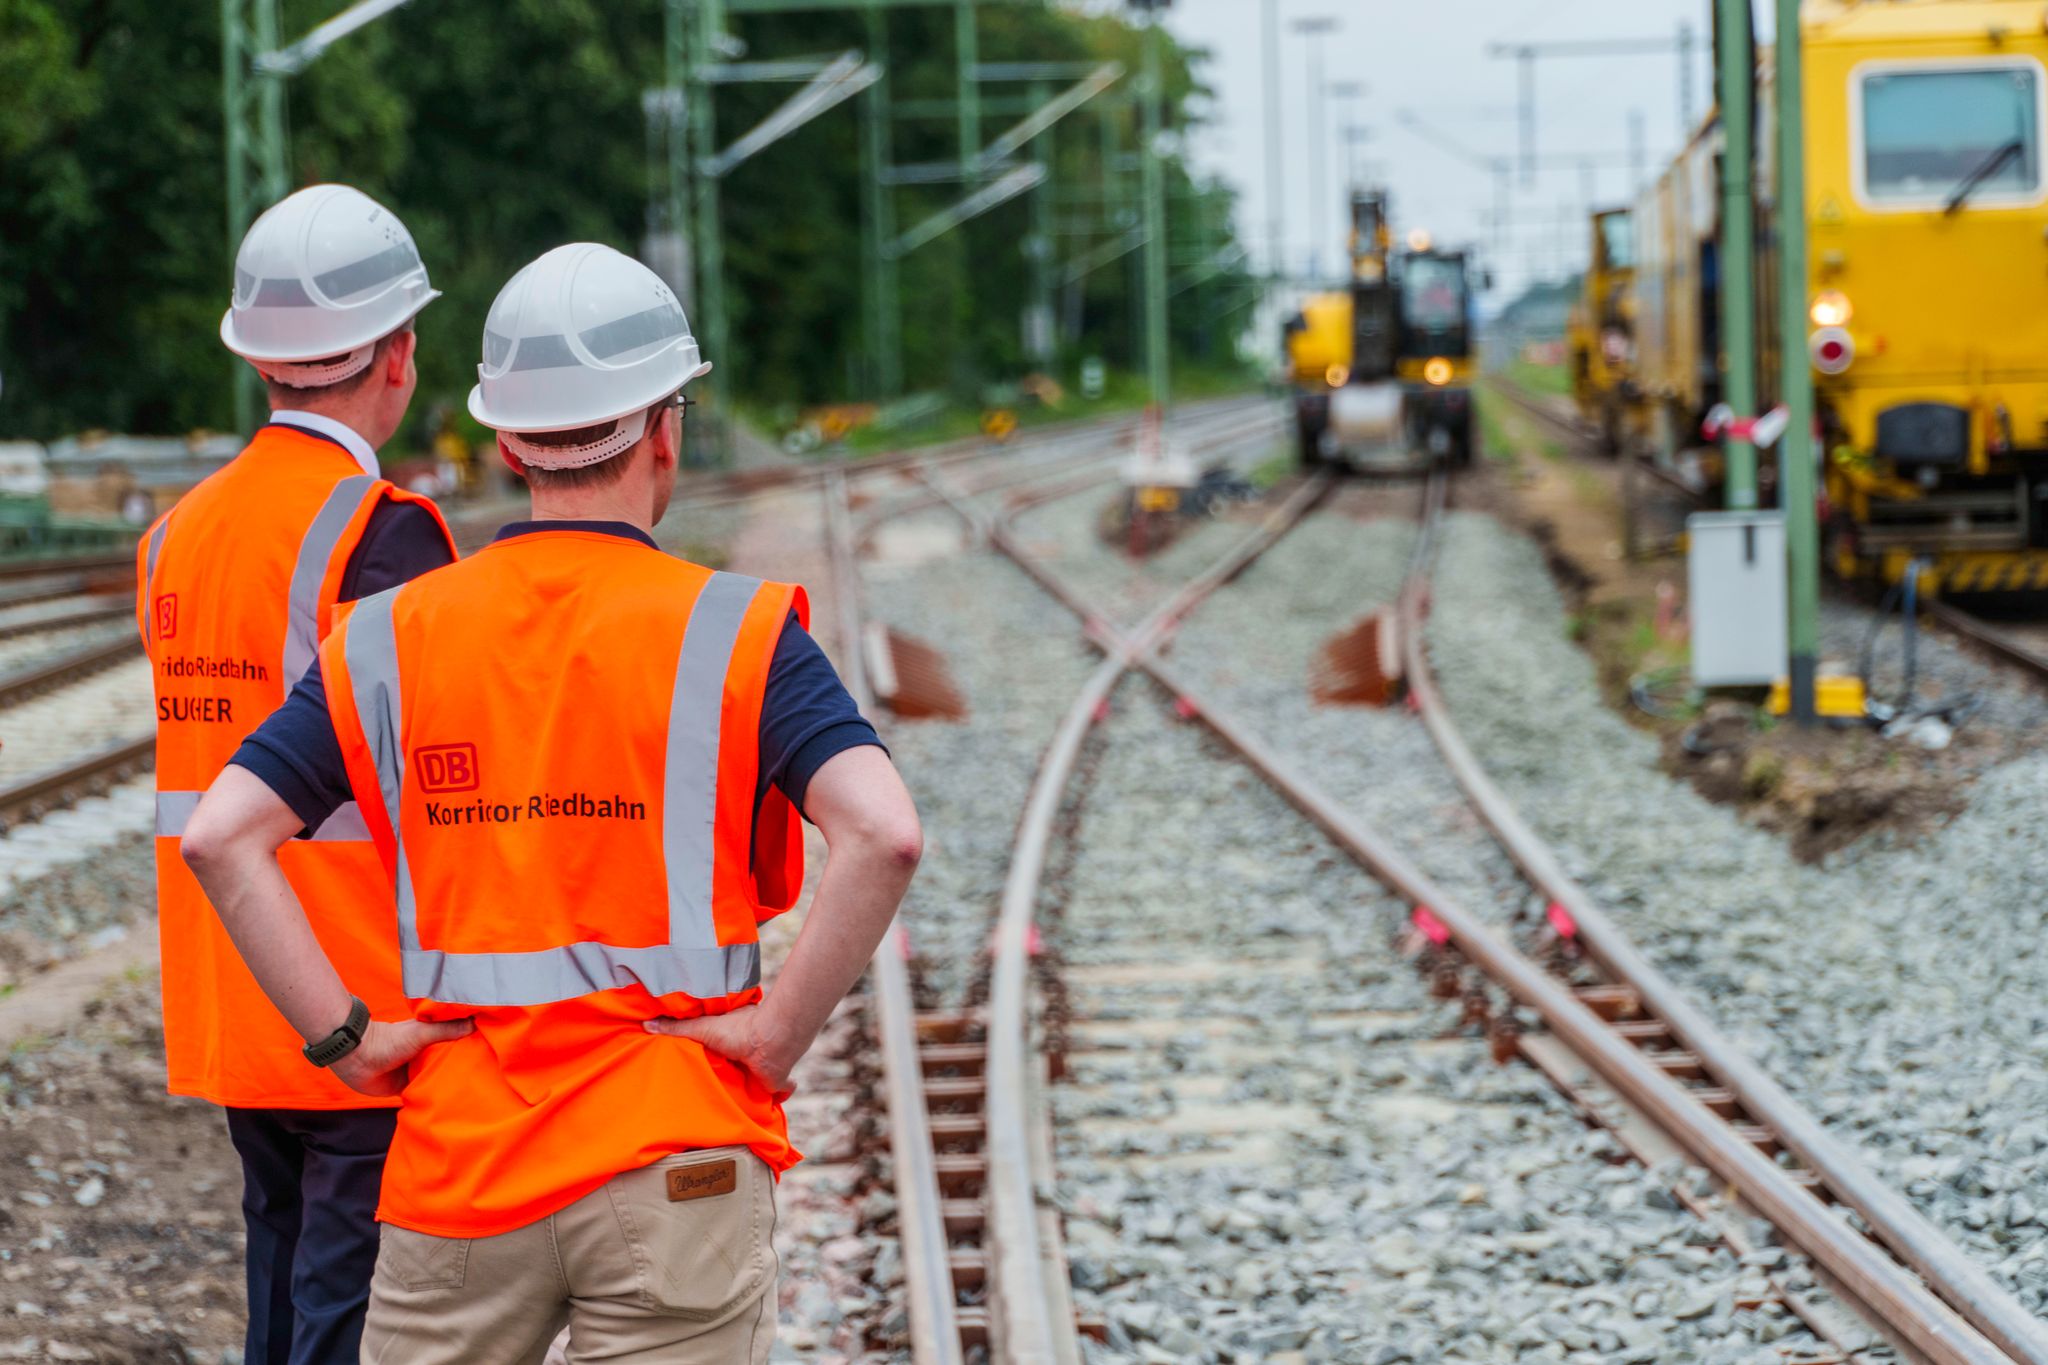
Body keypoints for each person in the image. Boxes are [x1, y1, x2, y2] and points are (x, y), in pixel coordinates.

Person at [178, 242, 922, 1364]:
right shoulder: (739, 630)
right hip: (674, 1156)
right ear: (663, 431)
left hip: (460, 1173)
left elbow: (221, 836)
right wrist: (775, 1038)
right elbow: (884, 832)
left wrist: (348, 1042)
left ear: (506, 442)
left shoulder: (387, 638)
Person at [138, 183, 456, 1365]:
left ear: (257, 359)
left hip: (233, 983)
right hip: (355, 995)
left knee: (279, 1285)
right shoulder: (383, 531)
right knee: (345, 1314)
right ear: (397, 354)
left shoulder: (176, 533)